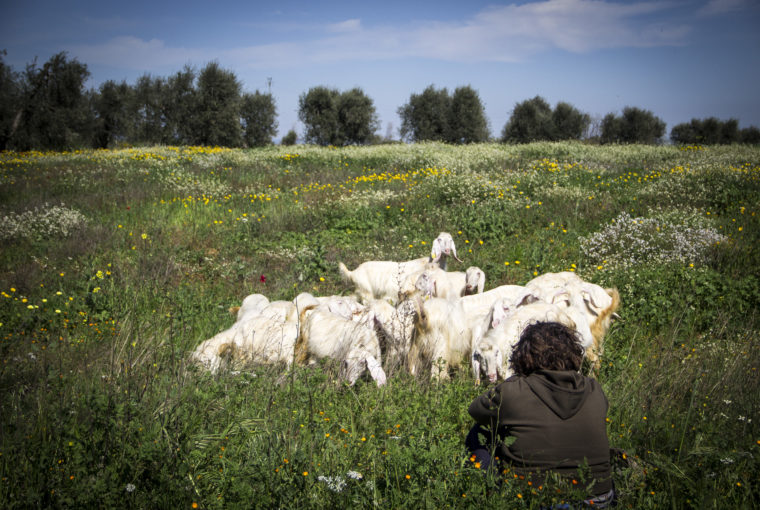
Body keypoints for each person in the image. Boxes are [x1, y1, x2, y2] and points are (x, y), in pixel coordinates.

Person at [467, 321, 616, 507]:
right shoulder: (594, 389)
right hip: (598, 499)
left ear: (523, 355)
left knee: (479, 431)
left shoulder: (513, 391)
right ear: (573, 354)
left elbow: (475, 410)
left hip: (533, 500)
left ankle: (488, 495)